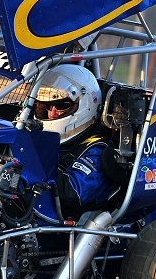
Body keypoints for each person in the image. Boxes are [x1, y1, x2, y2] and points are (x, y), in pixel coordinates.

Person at [34, 65, 119, 217]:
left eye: (61, 105)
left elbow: (71, 193)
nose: (52, 114)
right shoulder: (38, 134)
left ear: (86, 105)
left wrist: (27, 165)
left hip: (64, 224)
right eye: (46, 106)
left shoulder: (98, 149)